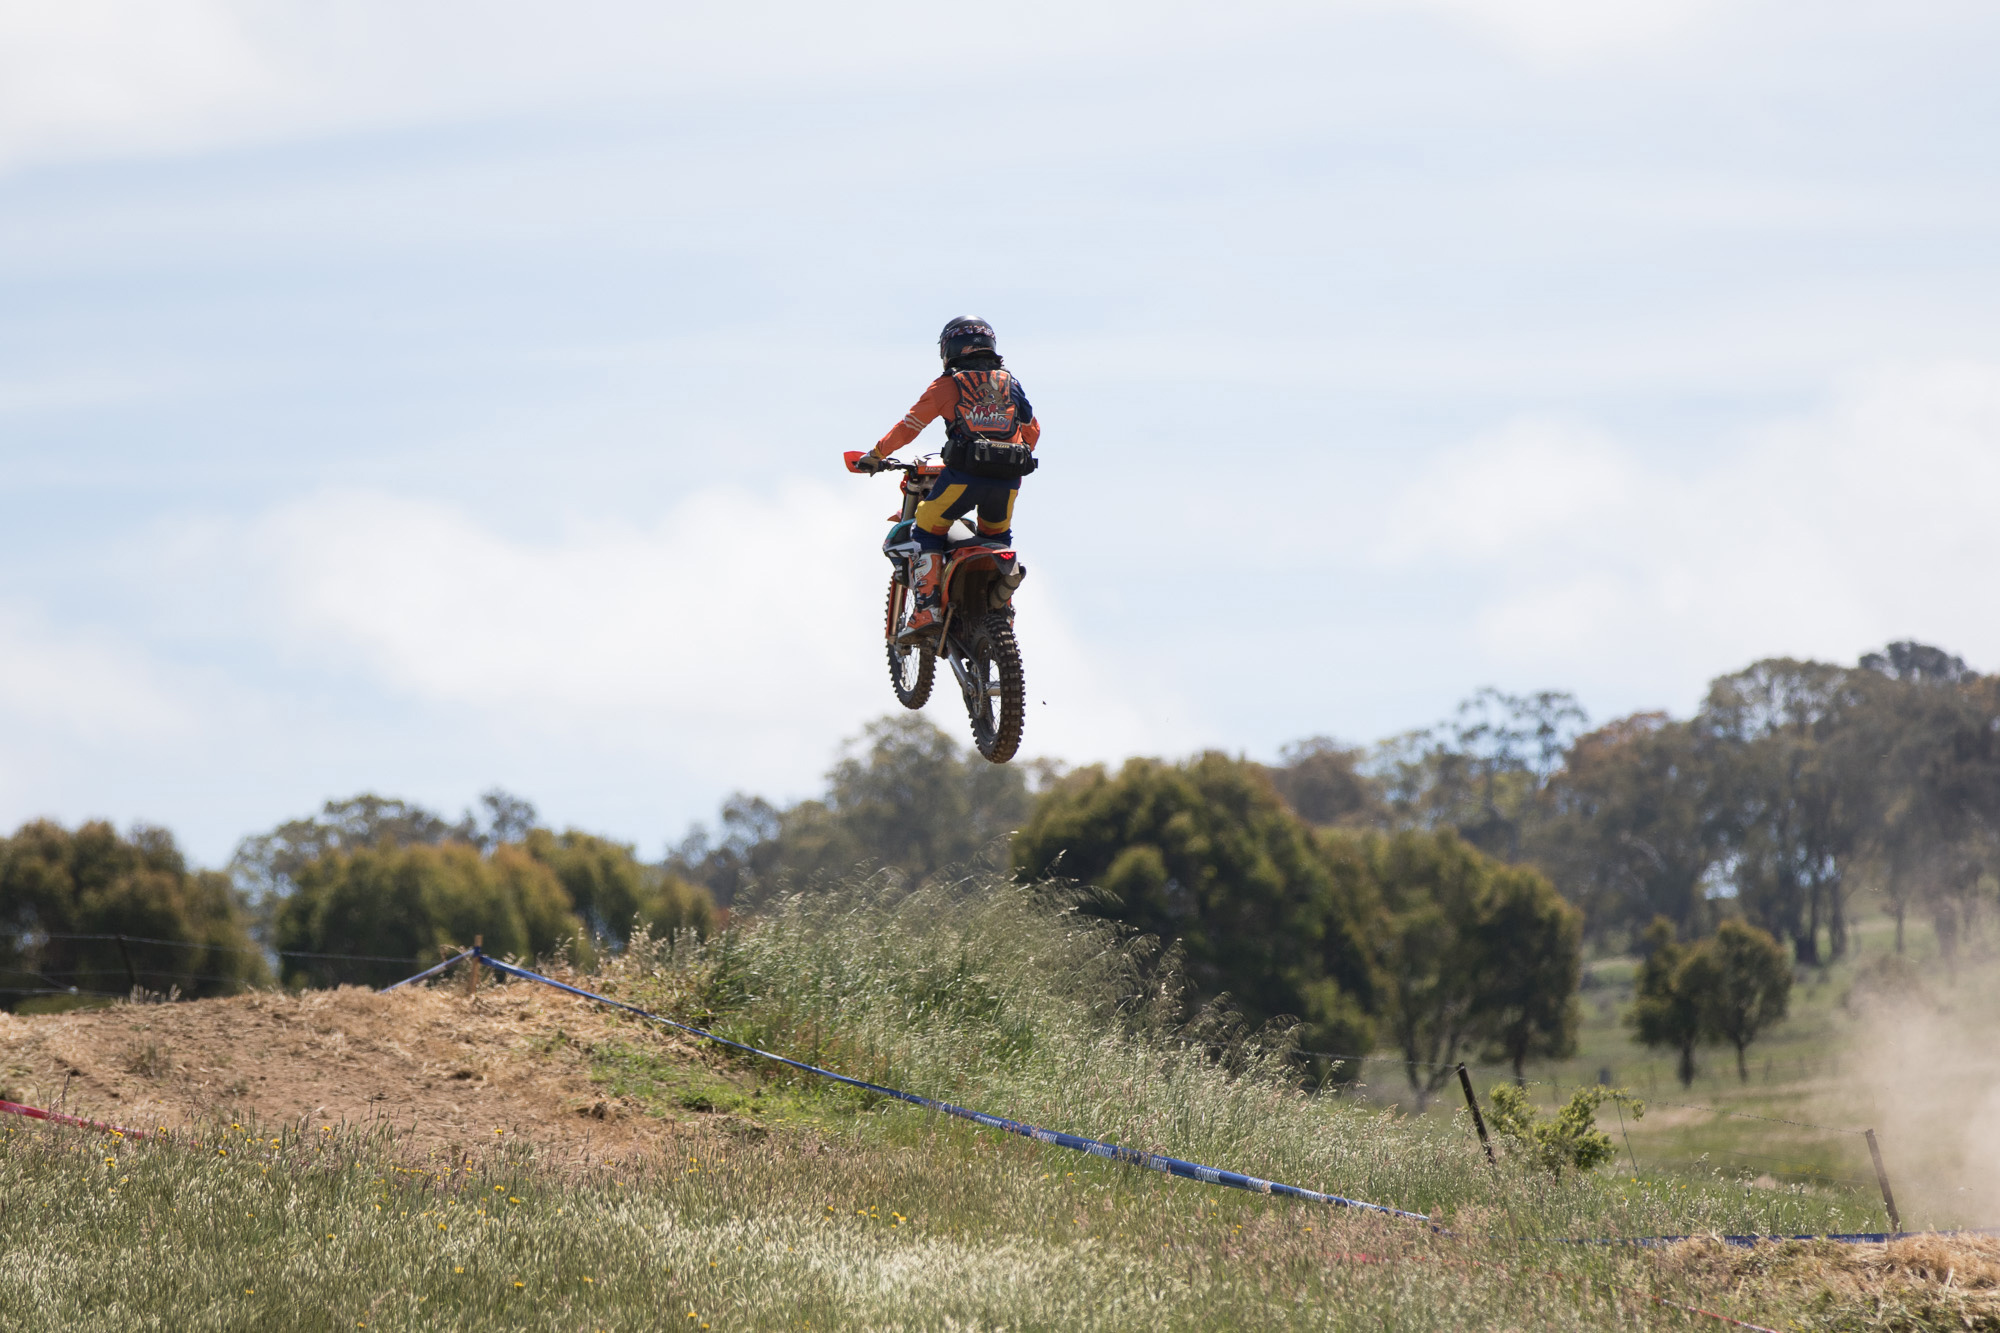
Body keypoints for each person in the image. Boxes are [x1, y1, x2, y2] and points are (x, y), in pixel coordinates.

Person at [853, 317, 1041, 642]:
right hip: (1009, 480)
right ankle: (1002, 611)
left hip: (963, 477)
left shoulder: (947, 385)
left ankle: (927, 608)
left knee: (926, 525)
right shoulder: (1010, 383)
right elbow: (1032, 431)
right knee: (997, 537)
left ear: (949, 349)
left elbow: (909, 427)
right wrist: (1003, 452)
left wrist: (876, 453)